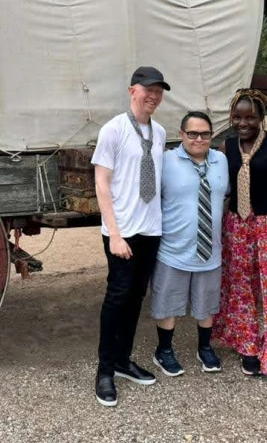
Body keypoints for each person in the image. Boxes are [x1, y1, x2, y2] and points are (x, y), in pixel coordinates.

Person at [212, 88, 267, 388]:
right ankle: (249, 346)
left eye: (250, 117)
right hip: (238, 225)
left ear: (261, 118)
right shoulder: (227, 148)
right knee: (241, 288)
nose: (243, 122)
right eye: (237, 117)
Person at [91, 66, 170, 407]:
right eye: (147, 89)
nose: (153, 95)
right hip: (123, 233)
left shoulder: (161, 132)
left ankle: (123, 361)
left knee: (137, 298)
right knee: (117, 298)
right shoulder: (114, 129)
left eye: (159, 91)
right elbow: (102, 184)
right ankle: (105, 370)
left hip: (150, 230)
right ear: (132, 90)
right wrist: (115, 235)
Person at [151, 111, 229, 377]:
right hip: (174, 249)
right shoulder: (166, 161)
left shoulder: (221, 161)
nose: (199, 139)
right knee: (167, 302)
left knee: (206, 304)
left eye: (205, 134)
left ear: (211, 136)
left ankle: (205, 348)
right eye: (192, 133)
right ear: (182, 134)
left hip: (210, 250)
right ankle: (164, 350)